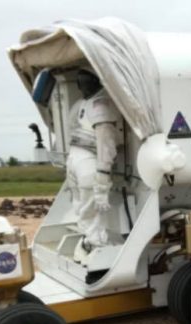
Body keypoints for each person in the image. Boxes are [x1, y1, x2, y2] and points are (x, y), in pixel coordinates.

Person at [66, 68, 120, 264]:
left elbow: (104, 141)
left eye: (85, 81)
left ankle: (91, 246)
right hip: (85, 160)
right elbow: (106, 145)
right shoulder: (97, 104)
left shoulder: (89, 104)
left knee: (86, 208)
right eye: (81, 82)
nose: (82, 86)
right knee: (89, 208)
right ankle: (94, 246)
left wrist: (102, 177)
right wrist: (103, 178)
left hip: (76, 158)